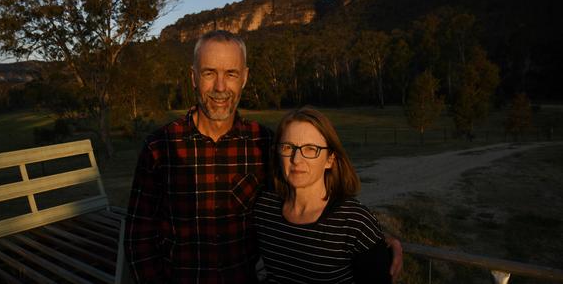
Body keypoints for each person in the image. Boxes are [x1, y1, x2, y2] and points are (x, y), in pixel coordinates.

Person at [125, 30, 402, 283]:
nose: (220, 86)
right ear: (193, 77)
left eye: (231, 74)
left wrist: (374, 243)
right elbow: (139, 238)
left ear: (244, 77)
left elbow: (302, 204)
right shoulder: (160, 147)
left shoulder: (266, 143)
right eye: (209, 73)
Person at [254, 106, 393, 283]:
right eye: (288, 147)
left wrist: (383, 243)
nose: (296, 159)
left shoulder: (355, 223)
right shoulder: (265, 209)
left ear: (329, 160)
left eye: (311, 149)